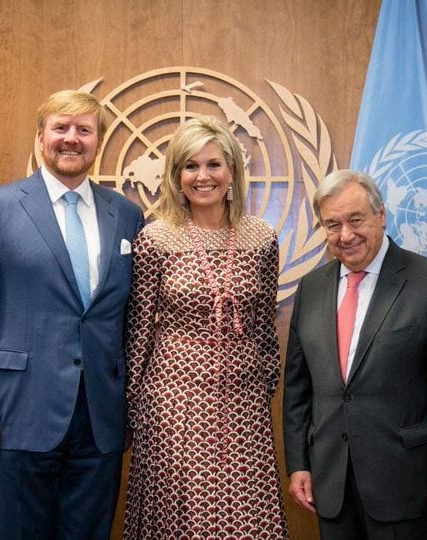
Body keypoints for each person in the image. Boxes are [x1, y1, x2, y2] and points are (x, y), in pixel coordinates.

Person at [0, 90, 144, 539]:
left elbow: (134, 319)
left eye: (84, 130)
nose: (71, 139)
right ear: (41, 137)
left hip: (101, 421)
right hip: (19, 414)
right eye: (60, 127)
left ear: (98, 142)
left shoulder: (129, 216)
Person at [123, 115, 288, 538]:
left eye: (213, 164)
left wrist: (261, 382)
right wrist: (135, 406)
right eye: (191, 166)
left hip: (243, 405)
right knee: (182, 521)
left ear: (231, 170)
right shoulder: (156, 238)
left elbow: (265, 327)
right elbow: (140, 330)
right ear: (177, 176)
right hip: (173, 405)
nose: (203, 176)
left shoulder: (261, 236)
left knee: (246, 520)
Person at [283, 169, 427, 539]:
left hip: (406, 482)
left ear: (381, 215)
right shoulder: (312, 288)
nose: (346, 235)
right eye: (332, 224)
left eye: (356, 220)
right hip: (331, 480)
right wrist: (299, 464)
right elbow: (297, 389)